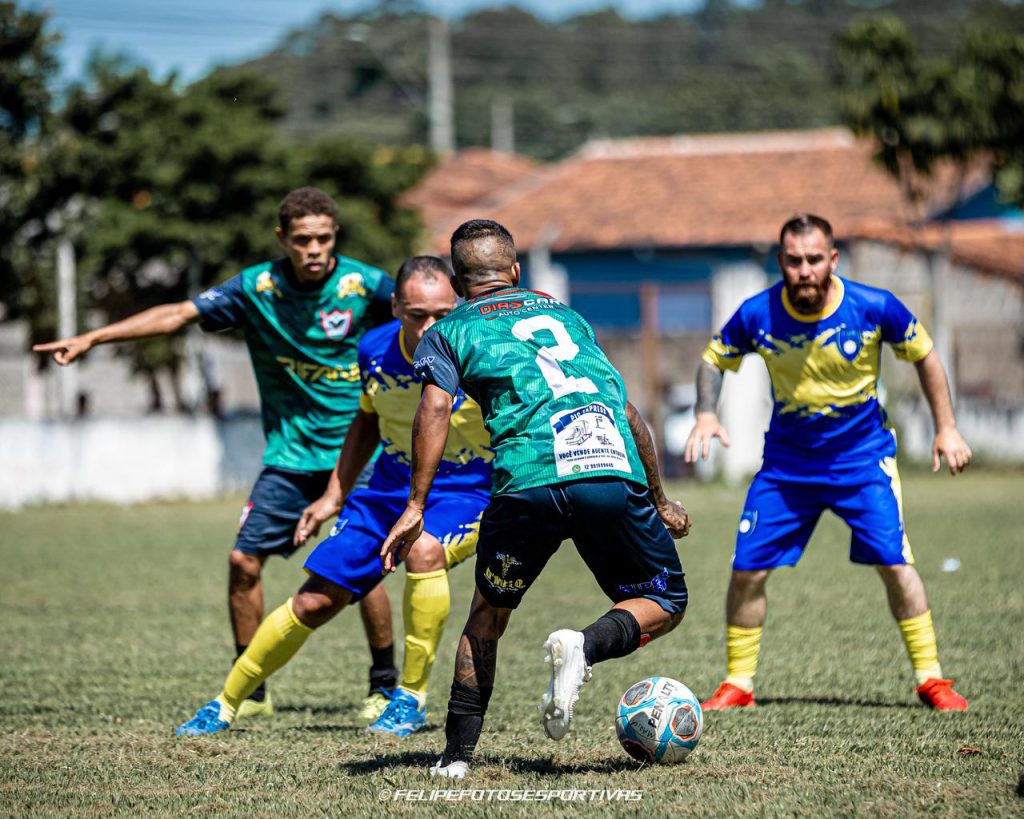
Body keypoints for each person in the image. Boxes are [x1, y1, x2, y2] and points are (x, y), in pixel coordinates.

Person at [34, 187, 401, 719]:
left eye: (323, 238)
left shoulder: (365, 285)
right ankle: (251, 691)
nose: (314, 249)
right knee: (242, 561)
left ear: (334, 236)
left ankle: (384, 687)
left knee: (361, 565)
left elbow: (421, 314)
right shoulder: (258, 287)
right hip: (290, 456)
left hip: (358, 451)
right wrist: (95, 338)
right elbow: (178, 314)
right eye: (302, 240)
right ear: (283, 240)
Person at [381, 219, 693, 780]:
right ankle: (584, 644)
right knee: (666, 601)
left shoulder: (450, 331)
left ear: (456, 283)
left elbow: (433, 410)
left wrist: (414, 505)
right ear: (517, 272)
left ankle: (455, 759)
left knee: (488, 616)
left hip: (527, 483)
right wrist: (661, 498)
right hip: (608, 472)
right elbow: (628, 412)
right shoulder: (569, 317)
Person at [175, 256, 494, 737]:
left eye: (442, 314)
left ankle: (407, 699)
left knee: (424, 550)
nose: (430, 325)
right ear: (394, 307)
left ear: (459, 305)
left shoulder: (486, 352)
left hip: (467, 492)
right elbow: (365, 422)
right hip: (387, 490)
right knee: (313, 602)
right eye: (416, 313)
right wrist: (333, 495)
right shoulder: (373, 349)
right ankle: (225, 704)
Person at [685, 213, 972, 712]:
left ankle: (932, 679)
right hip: (786, 468)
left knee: (896, 564)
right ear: (780, 263)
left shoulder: (874, 306)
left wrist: (946, 427)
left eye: (814, 259)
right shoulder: (757, 314)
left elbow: (925, 354)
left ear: (832, 259)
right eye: (793, 261)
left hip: (862, 462)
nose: (804, 270)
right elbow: (715, 357)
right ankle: (738, 684)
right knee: (747, 571)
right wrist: (706, 413)